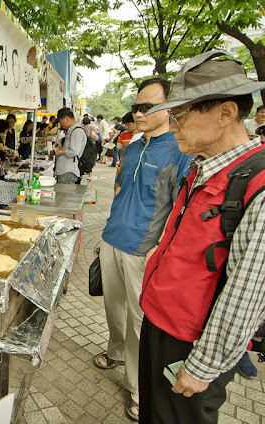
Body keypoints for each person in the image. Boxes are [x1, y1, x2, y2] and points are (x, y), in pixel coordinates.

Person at [139, 50, 265, 423]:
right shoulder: (203, 168)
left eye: (180, 114)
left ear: (225, 113)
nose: (173, 125)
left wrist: (204, 365)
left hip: (194, 342)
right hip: (161, 322)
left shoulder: (256, 185)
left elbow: (248, 291)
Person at [96, 77, 192, 421]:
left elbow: (181, 209)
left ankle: (137, 386)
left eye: (148, 106)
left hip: (143, 251)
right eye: (137, 106)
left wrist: (160, 250)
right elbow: (122, 191)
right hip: (111, 239)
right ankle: (114, 350)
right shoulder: (132, 146)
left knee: (139, 321)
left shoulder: (179, 151)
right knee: (113, 307)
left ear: (168, 108)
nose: (139, 112)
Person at [54, 108, 87, 184]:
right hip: (64, 170)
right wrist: (61, 147)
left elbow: (74, 151)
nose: (61, 124)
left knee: (64, 195)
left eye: (60, 122)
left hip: (68, 171)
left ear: (66, 118)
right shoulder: (72, 130)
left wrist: (60, 152)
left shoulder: (77, 131)